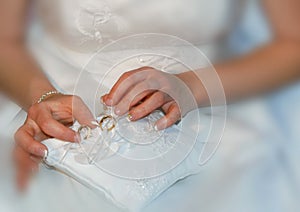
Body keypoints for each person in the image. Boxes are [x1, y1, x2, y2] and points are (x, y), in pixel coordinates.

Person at [0, 0, 299, 203]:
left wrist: (191, 86)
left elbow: (293, 44)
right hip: (61, 102)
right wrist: (42, 97)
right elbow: (5, 39)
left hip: (213, 102)